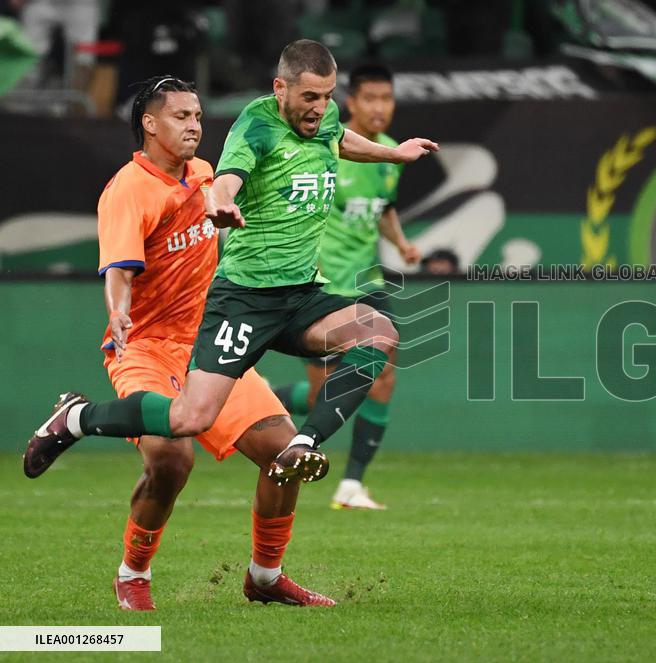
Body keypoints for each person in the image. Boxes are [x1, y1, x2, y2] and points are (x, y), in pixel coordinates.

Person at [26, 40, 437, 490]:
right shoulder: (255, 126)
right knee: (188, 418)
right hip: (245, 298)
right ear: (280, 88)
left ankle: (304, 444)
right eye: (310, 98)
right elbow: (226, 179)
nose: (321, 108)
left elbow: (336, 137)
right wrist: (219, 204)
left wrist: (394, 154)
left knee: (379, 332)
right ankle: (78, 418)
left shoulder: (325, 117)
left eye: (328, 95)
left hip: (300, 293)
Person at [23, 75, 334, 610]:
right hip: (145, 345)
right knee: (171, 459)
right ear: (149, 124)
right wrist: (117, 311)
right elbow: (118, 269)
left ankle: (265, 578)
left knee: (285, 455)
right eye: (180, 117)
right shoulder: (129, 188)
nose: (194, 126)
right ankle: (133, 573)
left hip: (210, 342)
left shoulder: (208, 175)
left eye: (196, 116)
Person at [273, 63, 419, 511]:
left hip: (365, 279)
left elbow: (383, 208)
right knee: (323, 396)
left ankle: (352, 484)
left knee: (384, 373)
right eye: (370, 98)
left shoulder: (390, 153)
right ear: (350, 102)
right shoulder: (329, 148)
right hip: (323, 284)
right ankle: (236, 398)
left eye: (387, 98)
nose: (380, 107)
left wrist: (401, 243)